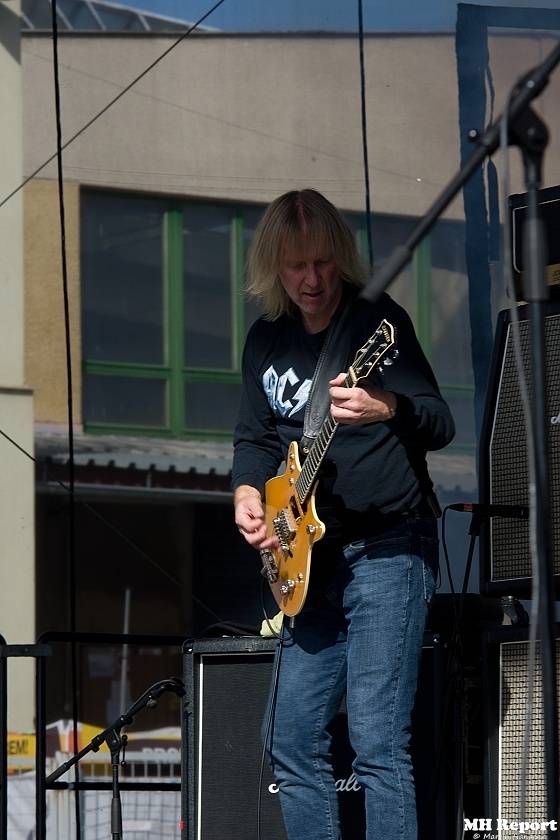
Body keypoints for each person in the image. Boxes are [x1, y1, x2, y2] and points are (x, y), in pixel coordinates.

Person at [232, 188, 455, 840]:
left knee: (378, 740)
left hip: (389, 546)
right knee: (292, 736)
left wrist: (387, 405)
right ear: (275, 265)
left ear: (342, 260)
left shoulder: (376, 325)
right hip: (309, 561)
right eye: (297, 265)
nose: (311, 279)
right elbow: (255, 440)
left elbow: (438, 420)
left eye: (324, 264)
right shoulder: (265, 341)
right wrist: (249, 497)